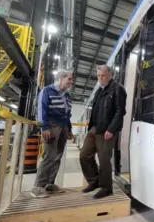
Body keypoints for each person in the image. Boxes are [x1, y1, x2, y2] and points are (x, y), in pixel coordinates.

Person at [80, 65, 127, 199]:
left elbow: (120, 111)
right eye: (99, 76)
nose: (101, 78)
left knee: (104, 160)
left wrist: (111, 129)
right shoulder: (99, 91)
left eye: (103, 76)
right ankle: (94, 181)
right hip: (94, 129)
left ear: (110, 75)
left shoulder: (118, 89)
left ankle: (106, 188)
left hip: (106, 130)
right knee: (84, 155)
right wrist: (91, 127)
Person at [32, 70, 74, 198]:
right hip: (51, 126)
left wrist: (70, 130)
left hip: (63, 127)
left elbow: (67, 115)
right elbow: (41, 109)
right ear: (61, 78)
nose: (71, 82)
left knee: (57, 157)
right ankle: (38, 187)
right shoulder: (47, 91)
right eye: (69, 79)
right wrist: (44, 127)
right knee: (49, 156)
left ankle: (49, 185)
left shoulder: (67, 95)